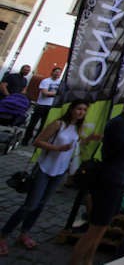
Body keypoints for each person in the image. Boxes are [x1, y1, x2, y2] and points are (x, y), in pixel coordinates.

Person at [0, 100, 98, 256]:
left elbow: (75, 145)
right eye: (79, 108)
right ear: (72, 109)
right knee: (30, 205)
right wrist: (56, 148)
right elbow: (38, 141)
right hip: (45, 168)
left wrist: (89, 139)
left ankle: (24, 233)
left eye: (84, 110)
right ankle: (3, 235)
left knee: (41, 205)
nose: (81, 112)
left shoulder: (77, 128)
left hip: (60, 171)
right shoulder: (59, 124)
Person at [71, 94, 124, 265]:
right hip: (108, 180)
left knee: (102, 228)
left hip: (118, 180)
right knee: (94, 230)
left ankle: (88, 261)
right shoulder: (118, 123)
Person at [22, 67, 62, 145]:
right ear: (52, 72)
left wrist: (53, 94)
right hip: (41, 105)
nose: (57, 74)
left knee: (44, 125)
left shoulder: (61, 83)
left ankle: (37, 140)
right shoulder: (46, 81)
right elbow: (45, 93)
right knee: (32, 123)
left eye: (59, 72)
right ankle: (26, 139)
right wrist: (57, 94)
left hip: (51, 106)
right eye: (56, 72)